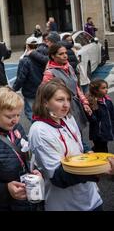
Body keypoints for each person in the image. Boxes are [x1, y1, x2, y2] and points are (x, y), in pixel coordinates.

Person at [29, 79, 114, 211]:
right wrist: (98, 170)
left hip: (91, 197)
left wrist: (90, 155)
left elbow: (79, 142)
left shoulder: (67, 118)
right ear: (45, 102)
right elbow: (57, 177)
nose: (66, 105)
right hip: (67, 204)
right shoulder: (39, 131)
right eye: (60, 100)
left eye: (68, 99)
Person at [42, 43, 92, 151]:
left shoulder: (69, 67)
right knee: (72, 135)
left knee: (78, 133)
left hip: (76, 106)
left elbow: (76, 87)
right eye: (61, 54)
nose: (65, 56)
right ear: (53, 56)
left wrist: (84, 102)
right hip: (63, 109)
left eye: (65, 53)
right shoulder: (49, 73)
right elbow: (44, 94)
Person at [13, 37, 43, 122]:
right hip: (43, 89)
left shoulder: (25, 60)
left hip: (30, 91)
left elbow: (21, 77)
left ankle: (37, 131)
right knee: (42, 113)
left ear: (27, 46)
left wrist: (14, 88)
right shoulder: (43, 58)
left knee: (31, 113)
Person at [87, 79, 114, 152]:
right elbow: (92, 120)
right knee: (102, 150)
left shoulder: (107, 101)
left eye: (106, 87)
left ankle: (91, 152)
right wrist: (90, 113)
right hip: (98, 133)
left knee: (101, 148)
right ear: (96, 90)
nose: (106, 90)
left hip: (106, 130)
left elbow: (112, 115)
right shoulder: (93, 103)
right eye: (103, 88)